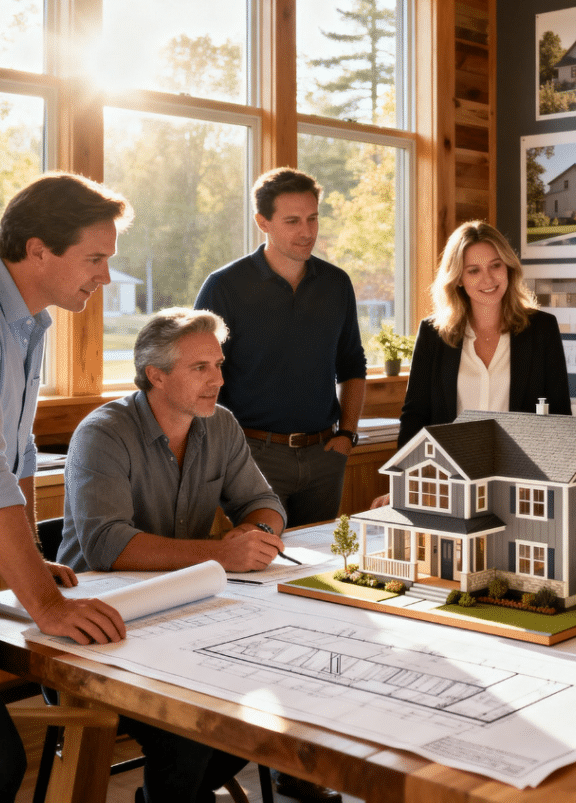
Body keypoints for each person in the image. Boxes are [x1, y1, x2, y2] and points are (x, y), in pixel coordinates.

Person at [59, 307, 288, 803]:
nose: (218, 380)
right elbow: (107, 544)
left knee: (266, 711)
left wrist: (257, 535)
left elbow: (264, 503)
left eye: (219, 365)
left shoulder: (220, 425)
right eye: (200, 368)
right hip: (98, 629)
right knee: (189, 729)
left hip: (185, 617)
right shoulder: (103, 433)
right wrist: (222, 555)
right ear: (155, 376)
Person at [0, 172, 130, 802]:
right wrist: (45, 607)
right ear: (38, 251)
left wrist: (31, 561)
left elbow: (19, 454)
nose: (105, 277)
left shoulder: (29, 322)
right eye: (95, 259)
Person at [195, 166, 364, 803]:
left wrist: (346, 439)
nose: (305, 232)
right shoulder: (226, 286)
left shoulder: (337, 284)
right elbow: (201, 375)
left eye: (313, 218)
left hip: (322, 457)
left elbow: (353, 365)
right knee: (252, 607)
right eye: (291, 220)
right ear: (262, 222)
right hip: (246, 464)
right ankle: (232, 750)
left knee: (323, 604)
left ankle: (306, 767)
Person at [398, 219, 571, 448]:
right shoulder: (433, 334)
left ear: (508, 267)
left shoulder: (542, 329)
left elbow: (559, 415)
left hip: (521, 473)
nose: (488, 279)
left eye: (495, 266)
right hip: (452, 473)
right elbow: (415, 415)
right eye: (473, 271)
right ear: (458, 278)